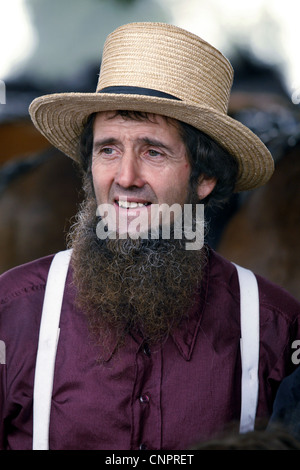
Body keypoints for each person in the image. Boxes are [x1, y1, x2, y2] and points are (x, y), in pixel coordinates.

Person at [1, 22, 300, 451]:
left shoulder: (277, 328)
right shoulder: (11, 313)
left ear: (206, 177)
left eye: (153, 151)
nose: (125, 177)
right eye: (108, 150)